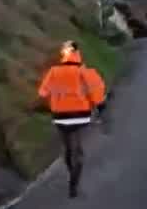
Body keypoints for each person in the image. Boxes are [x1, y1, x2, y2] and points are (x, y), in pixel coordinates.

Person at [38, 41, 107, 198]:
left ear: (63, 54)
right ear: (77, 53)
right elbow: (97, 93)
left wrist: (48, 104)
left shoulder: (53, 72)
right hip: (81, 115)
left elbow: (43, 93)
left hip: (60, 117)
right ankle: (75, 181)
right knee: (78, 148)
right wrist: (101, 109)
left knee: (68, 147)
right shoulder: (84, 72)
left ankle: (71, 165)